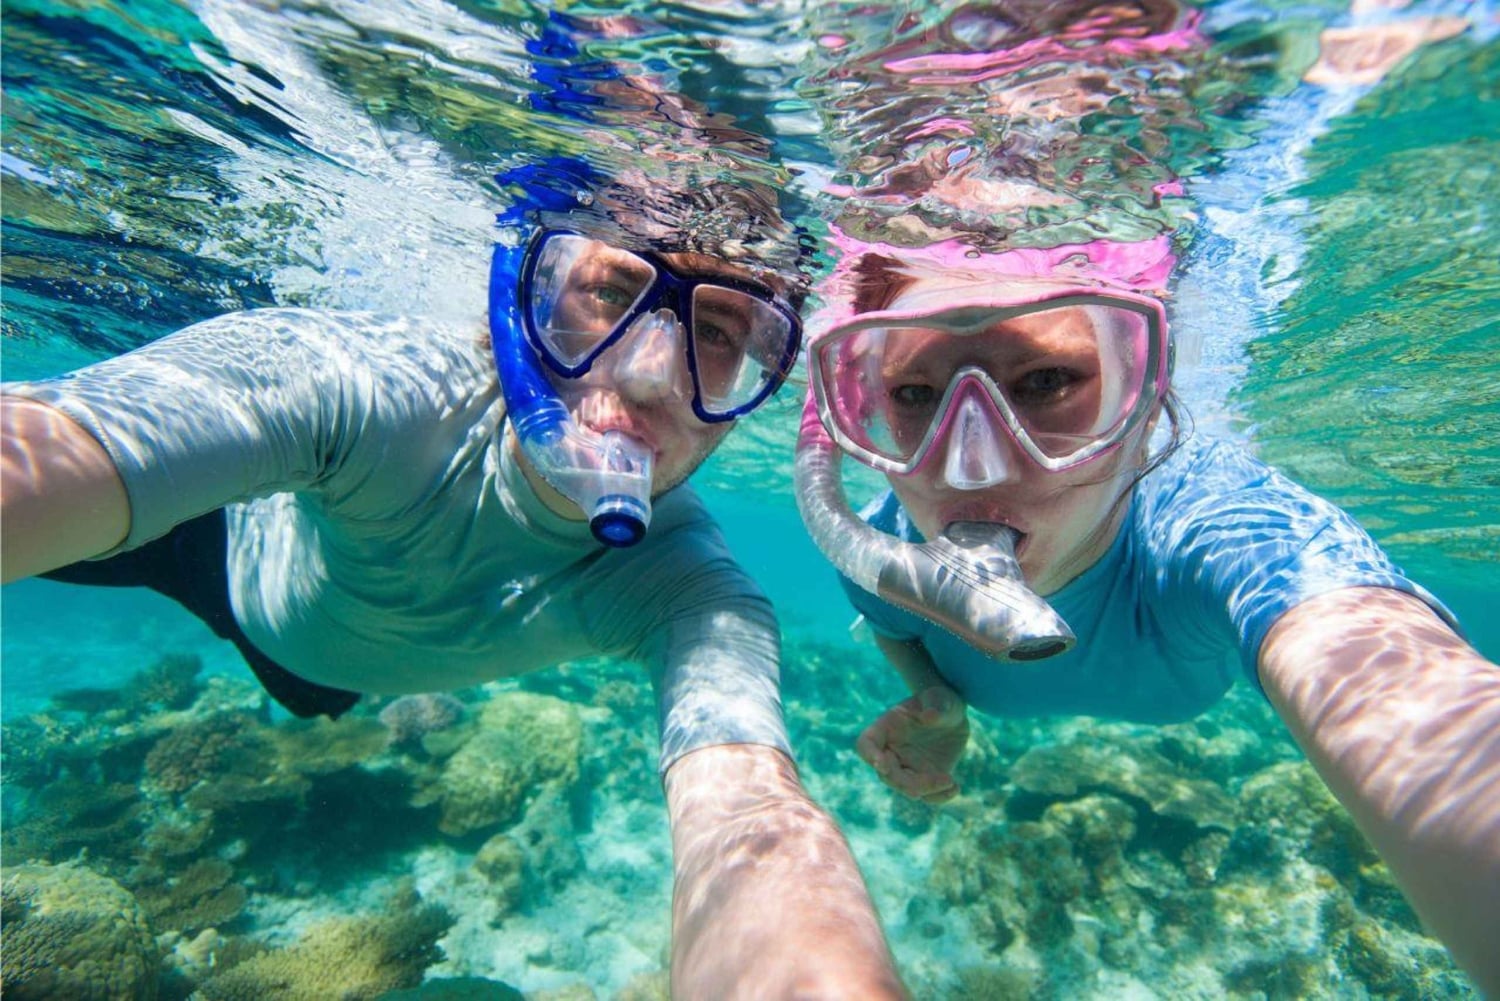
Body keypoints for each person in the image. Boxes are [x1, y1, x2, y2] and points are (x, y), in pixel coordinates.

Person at [0, 155, 908, 997]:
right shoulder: (360, 390)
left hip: (323, 671)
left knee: (320, 699)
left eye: (714, 330)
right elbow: (59, 447)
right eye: (608, 292)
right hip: (215, 555)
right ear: (516, 302)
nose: (650, 375)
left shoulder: (695, 591)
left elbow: (746, 817)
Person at [793, 229, 1500, 995]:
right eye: (914, 394)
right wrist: (942, 706)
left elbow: (1369, 660)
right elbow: (896, 625)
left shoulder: (1213, 520)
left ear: (1145, 391)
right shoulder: (879, 553)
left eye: (1044, 380)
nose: (972, 465)